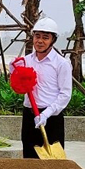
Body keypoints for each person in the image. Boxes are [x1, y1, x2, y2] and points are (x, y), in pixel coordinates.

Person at [12, 17, 72, 158]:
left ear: (53, 40)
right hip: (30, 114)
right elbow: (19, 87)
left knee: (52, 164)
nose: (40, 41)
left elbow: (65, 94)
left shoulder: (61, 63)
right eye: (37, 36)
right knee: (30, 157)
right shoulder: (26, 61)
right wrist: (14, 72)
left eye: (45, 38)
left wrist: (47, 113)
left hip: (51, 117)